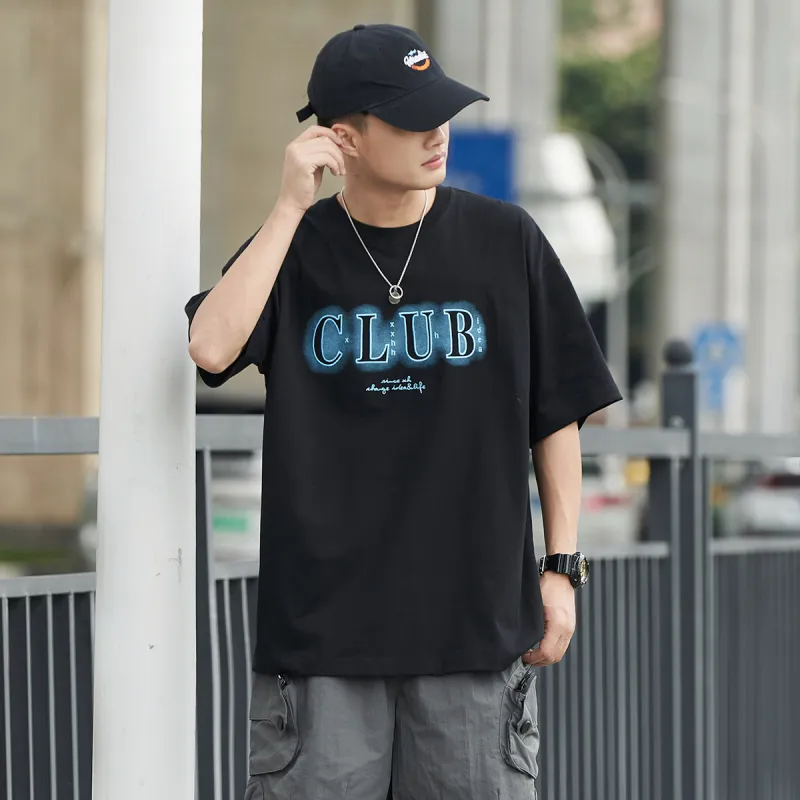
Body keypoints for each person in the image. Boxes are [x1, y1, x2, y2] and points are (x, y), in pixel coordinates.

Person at [186, 22, 621, 800]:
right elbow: (212, 348)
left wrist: (562, 569)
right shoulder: (296, 249)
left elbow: (556, 413)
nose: (437, 133)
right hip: (323, 642)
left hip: (475, 631)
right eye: (413, 119)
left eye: (442, 112)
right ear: (344, 138)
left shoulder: (506, 240)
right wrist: (287, 208)